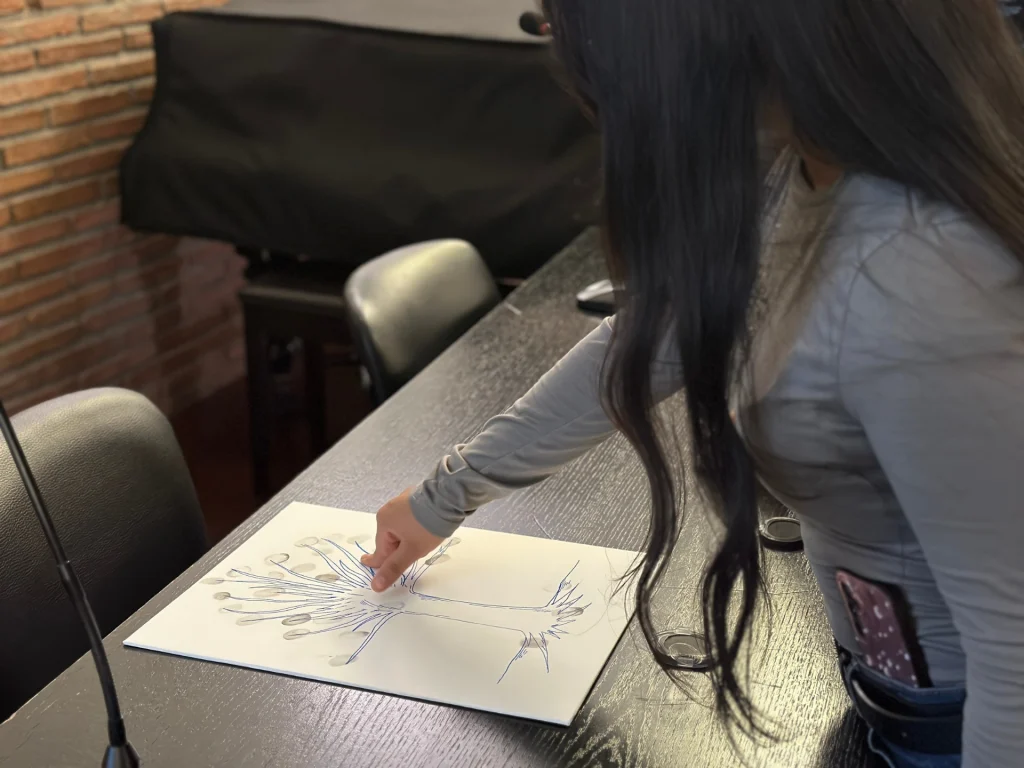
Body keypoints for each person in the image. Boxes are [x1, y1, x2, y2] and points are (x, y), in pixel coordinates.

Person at [360, 1, 1024, 766]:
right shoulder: (811, 174)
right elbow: (654, 334)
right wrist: (445, 494)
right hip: (889, 689)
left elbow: (1013, 654)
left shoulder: (919, 279)